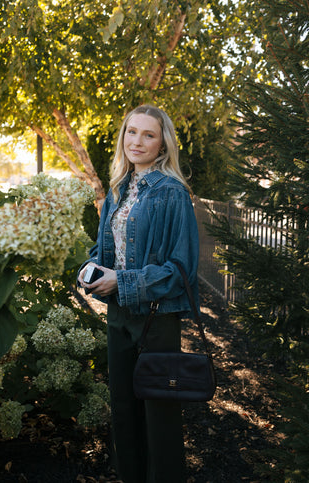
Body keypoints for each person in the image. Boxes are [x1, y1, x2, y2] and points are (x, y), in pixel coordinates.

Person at [77, 104, 200, 483]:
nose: (137, 141)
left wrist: (123, 282)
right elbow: (107, 251)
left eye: (148, 134)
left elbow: (181, 270)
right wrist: (92, 269)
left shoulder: (172, 193)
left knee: (158, 417)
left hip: (156, 318)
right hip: (119, 316)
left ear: (163, 143)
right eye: (132, 132)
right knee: (124, 410)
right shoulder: (117, 189)